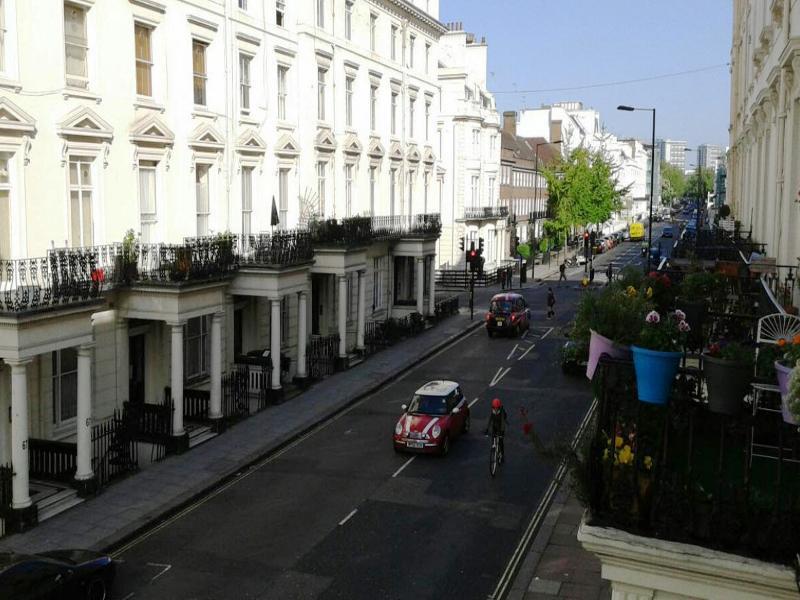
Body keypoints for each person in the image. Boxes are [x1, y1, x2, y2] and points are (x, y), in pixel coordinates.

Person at [484, 398, 508, 462]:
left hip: (500, 427)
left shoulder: (502, 412)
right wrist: (487, 429)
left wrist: (502, 432)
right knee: (493, 438)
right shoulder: (492, 411)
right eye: (494, 407)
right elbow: (490, 420)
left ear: (499, 407)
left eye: (497, 407)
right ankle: (494, 448)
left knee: (500, 441)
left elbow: (503, 422)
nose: (496, 409)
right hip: (494, 426)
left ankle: (502, 455)